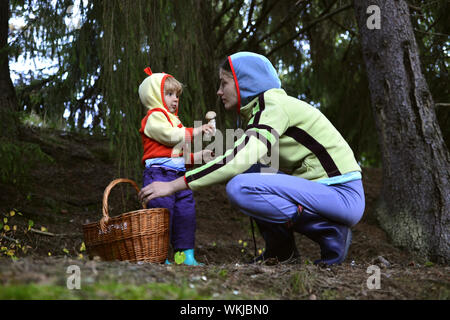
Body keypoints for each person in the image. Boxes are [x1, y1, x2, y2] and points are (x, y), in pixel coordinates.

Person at [138, 52, 365, 266]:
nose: (219, 91)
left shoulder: (273, 107)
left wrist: (173, 185)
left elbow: (237, 159)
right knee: (253, 170)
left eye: (224, 83)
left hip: (342, 193)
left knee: (240, 187)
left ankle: (330, 231)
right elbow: (245, 159)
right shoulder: (264, 110)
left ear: (243, 83)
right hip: (327, 192)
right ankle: (281, 251)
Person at [138, 67, 213, 266]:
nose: (175, 99)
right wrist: (197, 130)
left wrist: (201, 156)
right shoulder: (153, 117)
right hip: (159, 174)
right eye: (169, 94)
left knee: (185, 213)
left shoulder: (175, 121)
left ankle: (184, 255)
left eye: (177, 95)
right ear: (154, 96)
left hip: (178, 175)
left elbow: (179, 155)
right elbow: (170, 138)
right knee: (162, 213)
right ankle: (159, 255)